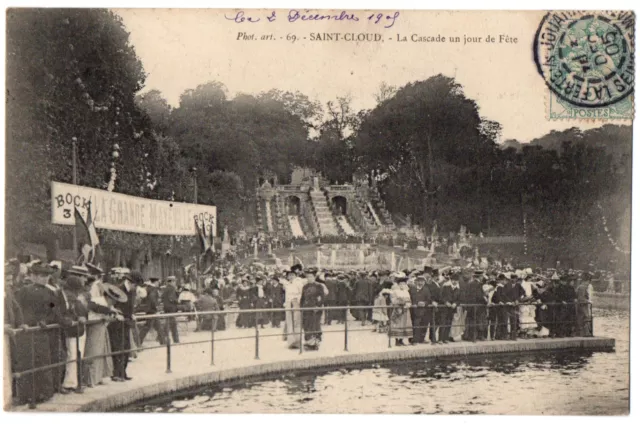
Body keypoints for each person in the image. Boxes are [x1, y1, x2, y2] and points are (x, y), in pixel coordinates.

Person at [13, 264, 60, 405]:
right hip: (27, 332)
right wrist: (23, 323)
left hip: (41, 333)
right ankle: (25, 395)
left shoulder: (50, 293)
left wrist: (46, 320)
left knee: (42, 361)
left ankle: (43, 393)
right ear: (33, 276)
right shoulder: (24, 291)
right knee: (26, 362)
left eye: (46, 276)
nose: (44, 279)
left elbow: (53, 310)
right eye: (41, 276)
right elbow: (18, 309)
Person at [84, 267, 117, 388]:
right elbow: (92, 308)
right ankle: (90, 379)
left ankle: (100, 376)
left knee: (103, 351)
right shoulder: (97, 300)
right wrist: (106, 313)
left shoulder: (103, 302)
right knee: (94, 351)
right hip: (95, 327)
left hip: (101, 328)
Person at [60, 275, 89, 393]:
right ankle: (69, 383)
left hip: (77, 330)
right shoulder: (68, 298)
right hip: (72, 331)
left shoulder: (73, 298)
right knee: (72, 355)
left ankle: (74, 382)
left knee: (76, 355)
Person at [300, 269, 326, 350]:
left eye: (311, 277)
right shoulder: (305, 286)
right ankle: (308, 343)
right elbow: (302, 298)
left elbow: (323, 297)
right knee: (306, 325)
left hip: (315, 309)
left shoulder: (319, 286)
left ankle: (315, 343)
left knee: (315, 325)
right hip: (306, 309)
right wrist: (301, 307)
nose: (309, 278)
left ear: (314, 277)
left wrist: (318, 306)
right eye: (308, 277)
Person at [137, 278, 167, 345]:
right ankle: (138, 342)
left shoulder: (148, 288)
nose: (158, 283)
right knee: (147, 327)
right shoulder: (153, 289)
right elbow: (152, 298)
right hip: (152, 310)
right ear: (155, 282)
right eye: (158, 282)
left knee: (158, 326)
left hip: (149, 310)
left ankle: (163, 341)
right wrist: (156, 307)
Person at [283, 266, 304, 349]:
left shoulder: (298, 282)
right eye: (289, 275)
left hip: (296, 303)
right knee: (289, 322)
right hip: (289, 303)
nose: (291, 276)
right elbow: (287, 295)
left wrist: (297, 301)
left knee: (296, 322)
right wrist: (286, 303)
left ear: (295, 275)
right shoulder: (287, 284)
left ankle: (297, 342)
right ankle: (291, 342)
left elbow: (301, 293)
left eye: (292, 275)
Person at [410, 276, 434, 344]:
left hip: (424, 310)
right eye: (419, 281)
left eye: (422, 281)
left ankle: (421, 339)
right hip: (415, 311)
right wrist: (415, 303)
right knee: (415, 325)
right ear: (416, 282)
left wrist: (425, 303)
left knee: (424, 325)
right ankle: (414, 340)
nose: (421, 283)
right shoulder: (412, 289)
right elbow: (410, 298)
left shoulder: (426, 289)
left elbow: (429, 299)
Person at [389, 280, 413, 346]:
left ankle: (401, 340)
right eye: (401, 284)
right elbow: (393, 300)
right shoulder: (395, 291)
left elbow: (409, 301)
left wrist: (407, 305)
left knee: (405, 325)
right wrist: (399, 305)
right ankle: (396, 340)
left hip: (405, 310)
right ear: (398, 284)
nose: (402, 285)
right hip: (398, 310)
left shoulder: (406, 292)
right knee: (397, 324)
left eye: (403, 284)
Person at [439, 273, 460, 343]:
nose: (455, 282)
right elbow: (441, 296)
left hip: (452, 308)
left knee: (449, 323)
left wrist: (455, 303)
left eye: (456, 280)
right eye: (454, 280)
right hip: (444, 308)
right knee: (443, 323)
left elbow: (459, 299)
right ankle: (440, 339)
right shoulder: (445, 286)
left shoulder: (458, 288)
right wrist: (446, 302)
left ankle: (446, 338)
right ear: (451, 280)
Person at [161, 276, 180, 343]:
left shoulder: (165, 288)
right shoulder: (172, 288)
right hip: (171, 308)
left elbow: (162, 297)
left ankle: (162, 337)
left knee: (169, 323)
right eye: (174, 281)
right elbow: (172, 298)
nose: (175, 283)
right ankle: (176, 340)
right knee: (172, 324)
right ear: (171, 282)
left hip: (166, 308)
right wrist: (177, 301)